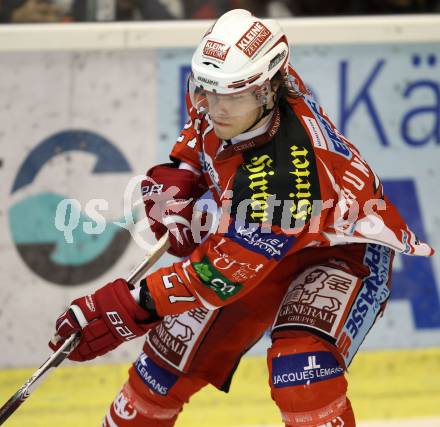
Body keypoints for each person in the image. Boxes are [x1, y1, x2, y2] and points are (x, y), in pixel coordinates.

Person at [50, 9, 434, 427]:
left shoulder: (287, 174)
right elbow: (201, 130)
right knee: (162, 366)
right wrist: (183, 173)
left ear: (270, 89)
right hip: (258, 244)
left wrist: (129, 306)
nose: (215, 107)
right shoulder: (236, 88)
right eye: (207, 90)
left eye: (231, 95)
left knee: (302, 371)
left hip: (339, 250)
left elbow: (216, 275)